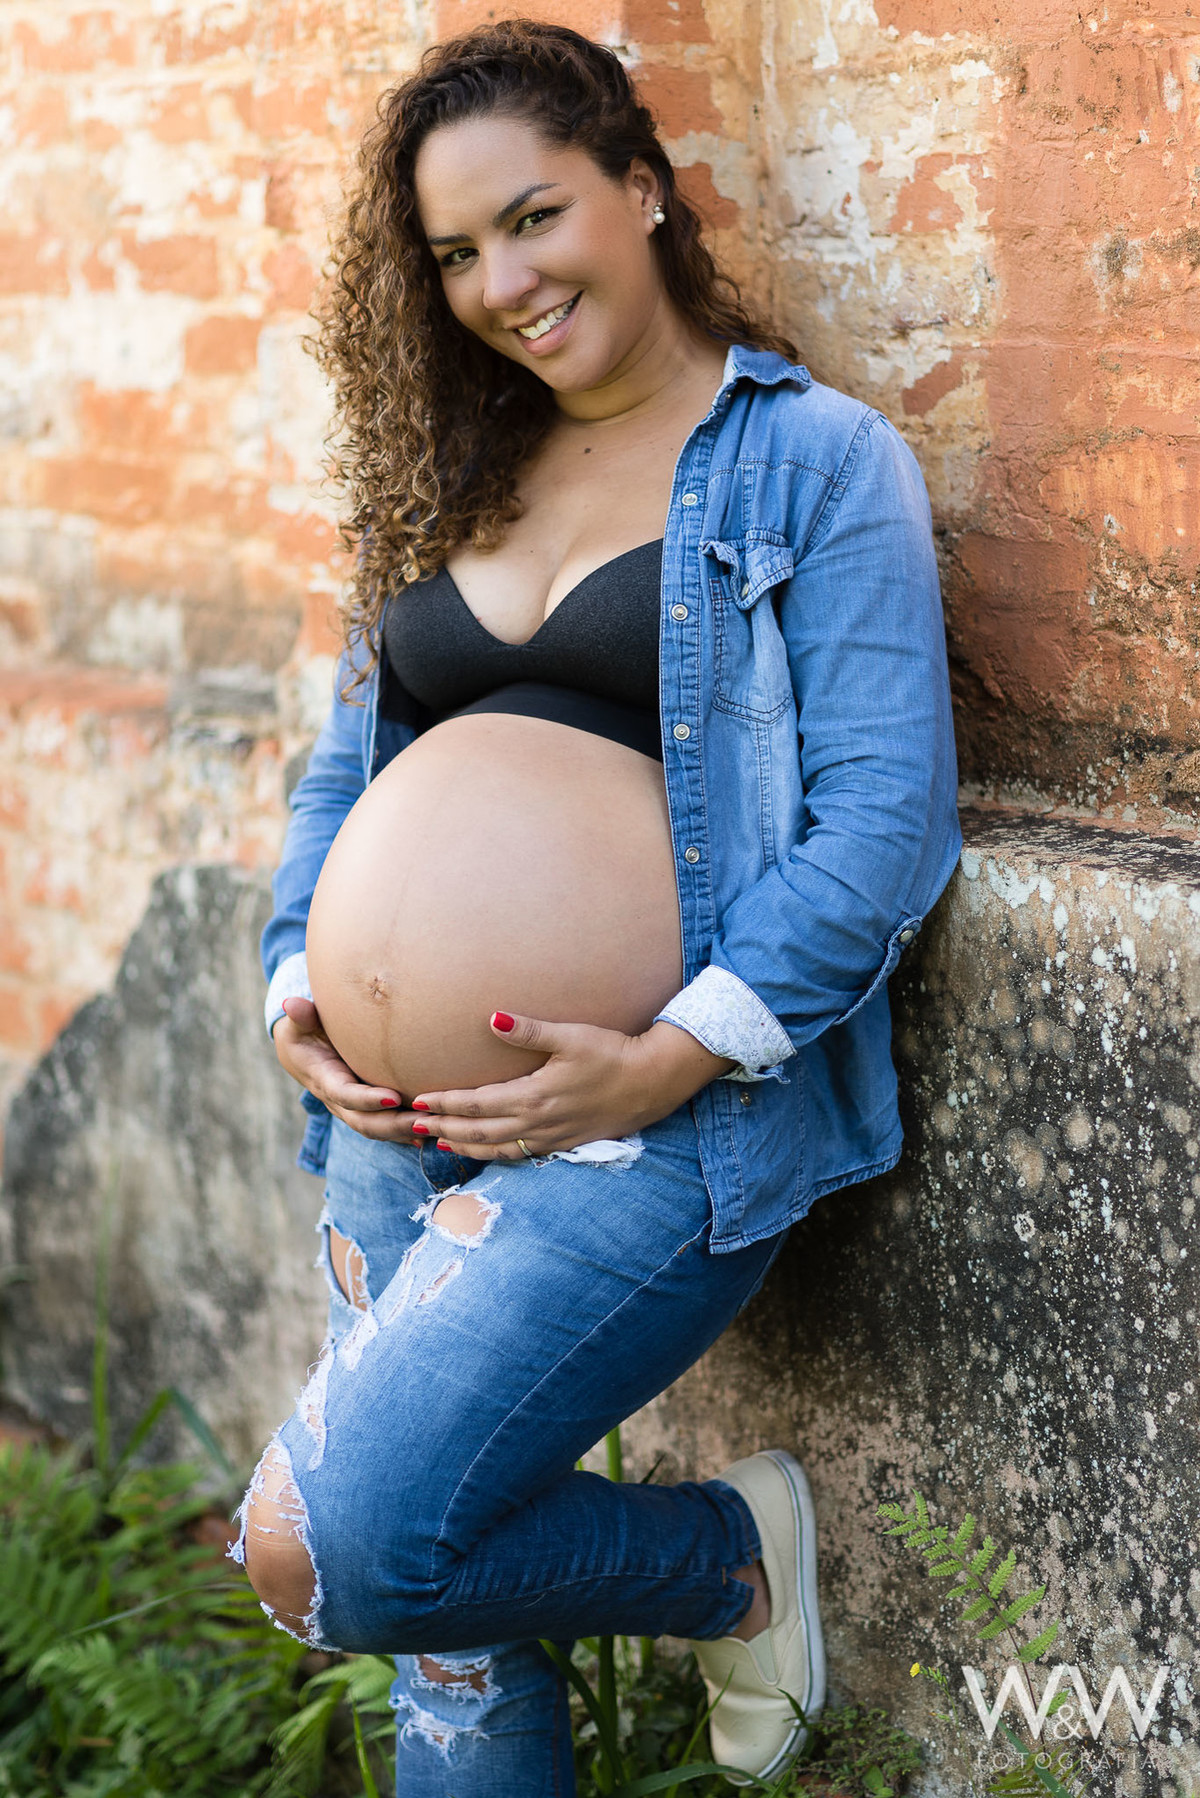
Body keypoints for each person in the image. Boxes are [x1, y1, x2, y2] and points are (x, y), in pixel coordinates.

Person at [230, 19, 961, 1796]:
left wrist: (662, 1059)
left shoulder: (813, 461)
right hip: (394, 1129)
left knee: (333, 1550)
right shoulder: (449, 470)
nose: (502, 281)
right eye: (456, 253)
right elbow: (345, 776)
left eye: (534, 217)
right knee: (454, 1655)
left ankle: (725, 1559)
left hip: (660, 1134)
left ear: (643, 188)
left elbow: (883, 825)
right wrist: (296, 989)